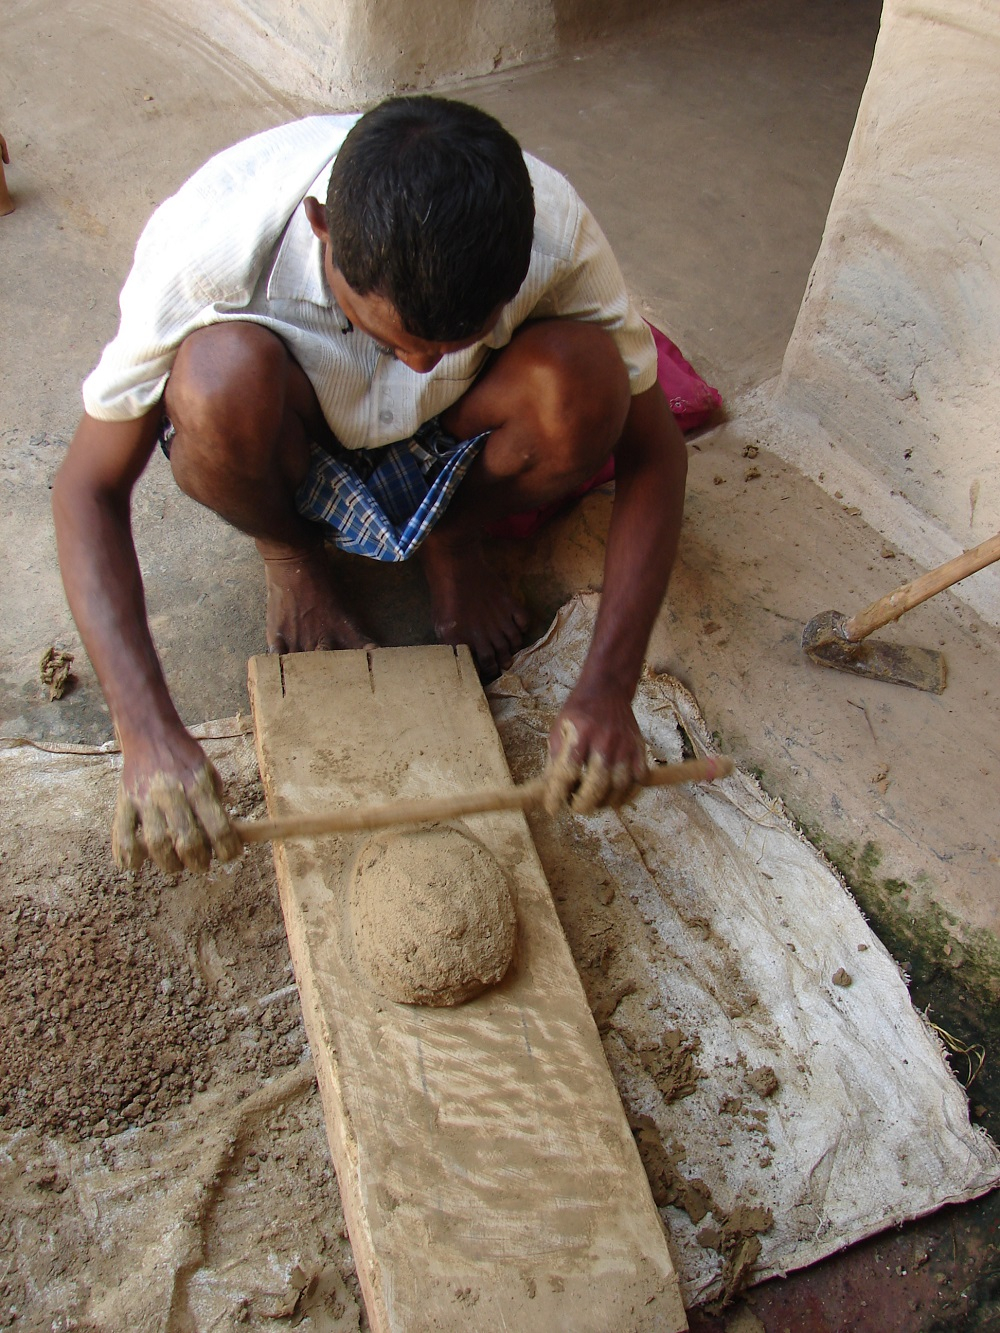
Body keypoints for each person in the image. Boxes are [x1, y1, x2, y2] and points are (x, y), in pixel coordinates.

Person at [52, 96, 688, 876]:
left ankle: (452, 534)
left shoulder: (548, 226)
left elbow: (654, 453)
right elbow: (87, 487)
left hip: (458, 438)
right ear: (322, 228)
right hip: (291, 431)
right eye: (391, 336)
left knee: (587, 381)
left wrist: (607, 686)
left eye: (453, 341)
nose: (421, 365)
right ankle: (292, 557)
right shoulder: (208, 248)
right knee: (216, 384)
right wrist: (144, 728)